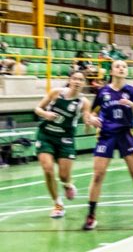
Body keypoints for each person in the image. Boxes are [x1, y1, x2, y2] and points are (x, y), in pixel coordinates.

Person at [82, 60, 133, 230]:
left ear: (126, 71)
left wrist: (132, 104)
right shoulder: (102, 92)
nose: (121, 68)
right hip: (106, 135)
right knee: (98, 175)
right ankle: (91, 215)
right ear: (112, 71)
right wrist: (90, 119)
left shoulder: (131, 91)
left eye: (124, 67)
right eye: (118, 66)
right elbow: (91, 113)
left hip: (126, 134)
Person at [34, 70, 92, 218]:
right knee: (48, 169)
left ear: (84, 83)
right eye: (75, 79)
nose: (78, 82)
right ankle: (58, 204)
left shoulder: (83, 102)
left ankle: (67, 184)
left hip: (65, 139)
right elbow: (37, 108)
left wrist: (89, 123)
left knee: (64, 176)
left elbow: (87, 120)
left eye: (81, 80)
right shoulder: (56, 93)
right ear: (70, 80)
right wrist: (45, 114)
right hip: (46, 135)